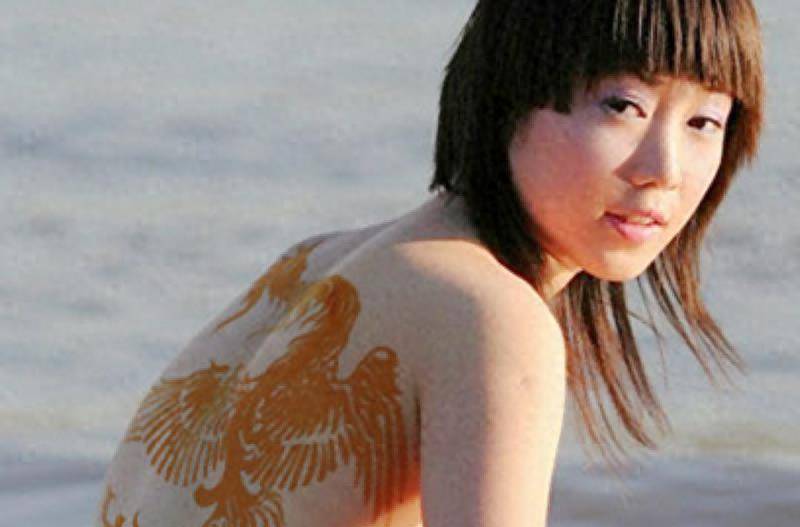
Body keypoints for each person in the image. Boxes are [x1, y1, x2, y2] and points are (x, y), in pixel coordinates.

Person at [95, 1, 764, 526]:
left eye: (704, 122)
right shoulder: (491, 316)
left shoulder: (311, 263)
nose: (664, 169)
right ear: (510, 88)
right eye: (623, 106)